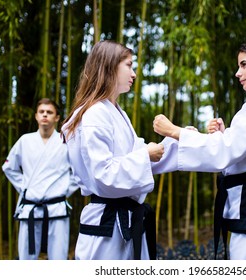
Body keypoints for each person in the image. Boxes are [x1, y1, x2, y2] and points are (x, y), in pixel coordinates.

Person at [153, 38, 246, 260]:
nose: (237, 73)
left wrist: (175, 131)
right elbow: (239, 149)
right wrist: (224, 136)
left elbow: (223, 153)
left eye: (244, 64)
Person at [61, 40, 178, 260]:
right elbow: (104, 173)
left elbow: (142, 157)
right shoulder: (95, 114)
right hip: (106, 225)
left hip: (123, 221)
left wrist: (182, 138)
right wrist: (145, 155)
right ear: (110, 66)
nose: (134, 74)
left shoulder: (115, 112)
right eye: (129, 65)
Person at [2, 98, 80, 260]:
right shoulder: (25, 141)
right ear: (36, 116)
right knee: (26, 260)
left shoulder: (65, 142)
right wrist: (25, 188)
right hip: (30, 208)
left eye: (49, 112)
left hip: (57, 206)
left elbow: (78, 172)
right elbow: (9, 167)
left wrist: (65, 189)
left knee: (58, 260)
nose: (45, 115)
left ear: (57, 118)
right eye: (41, 112)